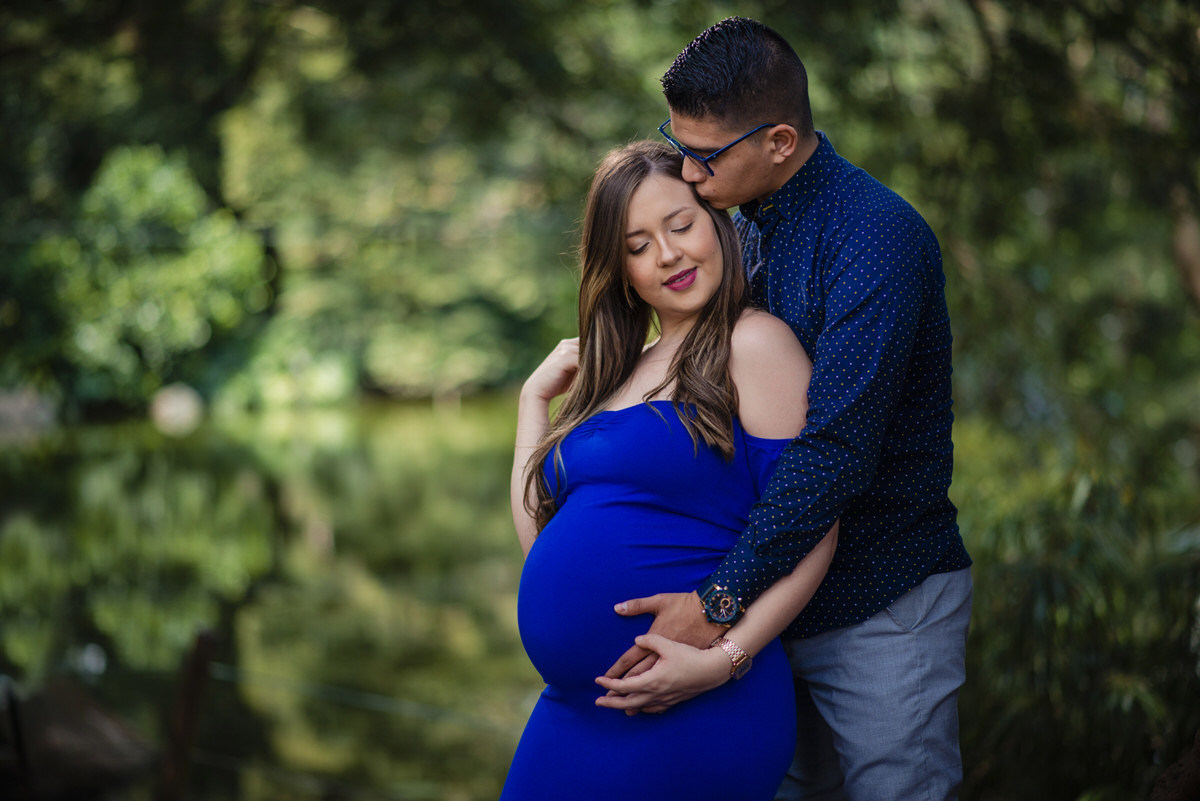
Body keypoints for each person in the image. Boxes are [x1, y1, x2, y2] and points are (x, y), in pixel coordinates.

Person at [595, 17, 974, 801]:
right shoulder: (746, 231)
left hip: (882, 603)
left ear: (776, 140)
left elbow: (834, 452)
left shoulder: (875, 239)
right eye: (680, 143)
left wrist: (717, 602)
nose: (690, 174)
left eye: (705, 157)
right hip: (773, 605)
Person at [500, 141, 838, 800]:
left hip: (696, 706)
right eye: (637, 244)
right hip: (573, 710)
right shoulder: (617, 371)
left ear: (718, 223)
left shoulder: (754, 344)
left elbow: (813, 528)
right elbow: (538, 543)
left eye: (680, 225)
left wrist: (720, 662)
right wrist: (531, 404)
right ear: (619, 268)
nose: (668, 254)